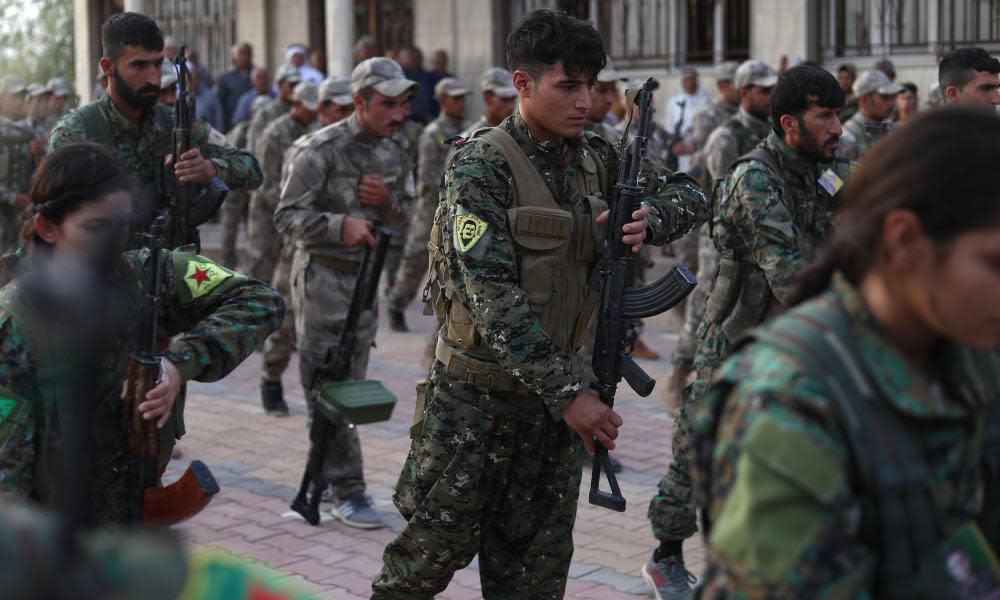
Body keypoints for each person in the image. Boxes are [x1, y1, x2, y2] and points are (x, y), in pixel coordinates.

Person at [371, 10, 709, 598]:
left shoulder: (599, 158)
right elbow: (491, 299)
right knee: (415, 577)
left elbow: (693, 192)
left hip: (548, 427)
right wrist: (570, 395)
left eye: (592, 86)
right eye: (568, 86)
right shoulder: (482, 165)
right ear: (522, 84)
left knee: (534, 585)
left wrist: (650, 219)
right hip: (472, 414)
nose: (585, 101)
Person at [691, 107, 1000, 599]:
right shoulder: (790, 402)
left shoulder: (966, 350)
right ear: (904, 241)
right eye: (993, 263)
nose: (835, 129)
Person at [644, 64, 850, 600]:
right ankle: (667, 554)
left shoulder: (822, 171)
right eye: (824, 116)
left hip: (788, 342)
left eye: (838, 114)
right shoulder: (754, 178)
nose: (837, 128)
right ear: (788, 123)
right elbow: (791, 276)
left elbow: (857, 230)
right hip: (734, 340)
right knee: (698, 448)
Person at [0, 141, 284, 522]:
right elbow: (8, 485)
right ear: (47, 228)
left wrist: (178, 365)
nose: (114, 241)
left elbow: (262, 300)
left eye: (122, 225)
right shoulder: (17, 320)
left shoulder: (143, 273)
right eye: (96, 228)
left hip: (132, 512)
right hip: (56, 537)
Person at [275, 57, 417, 530]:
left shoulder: (396, 151)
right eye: (387, 105)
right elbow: (286, 218)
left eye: (403, 104)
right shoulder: (317, 150)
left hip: (365, 283)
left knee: (348, 387)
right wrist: (342, 225)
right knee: (326, 386)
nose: (398, 115)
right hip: (323, 280)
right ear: (359, 103)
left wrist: (385, 203)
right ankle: (347, 489)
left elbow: (406, 216)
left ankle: (329, 479)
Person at [48, 12, 262, 244]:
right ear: (108, 67)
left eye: (158, 64)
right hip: (104, 272)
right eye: (139, 65)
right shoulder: (75, 133)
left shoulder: (175, 122)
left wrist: (210, 168)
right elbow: (55, 221)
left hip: (169, 268)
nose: (153, 79)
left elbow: (251, 169)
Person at [662, 59, 776, 416]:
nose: (770, 96)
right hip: (721, 234)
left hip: (758, 234)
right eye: (763, 90)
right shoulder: (724, 132)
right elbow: (725, 190)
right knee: (707, 300)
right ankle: (680, 371)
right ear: (744, 92)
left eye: (773, 90)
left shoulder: (772, 131)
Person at [250, 82, 319, 416]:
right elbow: (266, 183)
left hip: (303, 226)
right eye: (310, 106)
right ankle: (256, 336)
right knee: (264, 273)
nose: (314, 112)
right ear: (296, 104)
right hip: (270, 214)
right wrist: (295, 207)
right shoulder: (276, 132)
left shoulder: (316, 132)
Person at [387, 77, 468, 333]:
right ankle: (397, 303)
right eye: (455, 98)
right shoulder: (433, 133)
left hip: (456, 210)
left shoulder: (467, 129)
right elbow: (429, 177)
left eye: (463, 98)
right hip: (430, 208)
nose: (461, 103)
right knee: (415, 260)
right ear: (442, 101)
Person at [219, 94, 271, 269]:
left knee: (252, 223)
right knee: (230, 223)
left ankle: (248, 261)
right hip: (234, 184)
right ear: (253, 111)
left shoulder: (268, 130)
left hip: (253, 182)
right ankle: (228, 263)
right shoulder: (241, 130)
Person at [837, 69, 901, 162]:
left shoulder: (891, 128)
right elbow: (832, 174)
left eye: (892, 97)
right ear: (864, 100)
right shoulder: (848, 135)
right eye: (885, 97)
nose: (891, 103)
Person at [246, 65, 301, 156]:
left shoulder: (303, 113)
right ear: (279, 85)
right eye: (291, 85)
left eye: (298, 85)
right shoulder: (265, 114)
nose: (295, 89)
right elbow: (253, 149)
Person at [665, 66, 711, 172]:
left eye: (692, 79)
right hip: (679, 150)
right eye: (686, 80)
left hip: (700, 150)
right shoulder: (673, 102)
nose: (689, 83)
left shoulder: (707, 101)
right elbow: (669, 128)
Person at [461, 67, 518, 134]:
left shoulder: (520, 133)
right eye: (505, 99)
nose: (511, 106)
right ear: (487, 99)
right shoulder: (471, 138)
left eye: (513, 99)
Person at [216, 42, 254, 132]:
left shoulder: (256, 74)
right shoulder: (226, 77)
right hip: (232, 124)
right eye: (241, 53)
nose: (244, 57)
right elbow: (220, 103)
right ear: (234, 56)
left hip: (252, 122)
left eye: (247, 53)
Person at [585, 59, 625, 142]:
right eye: (602, 90)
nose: (610, 100)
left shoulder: (614, 137)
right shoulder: (562, 140)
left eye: (613, 90)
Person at [190, 65, 224, 133]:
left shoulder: (210, 96)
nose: (193, 83)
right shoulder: (178, 98)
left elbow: (219, 120)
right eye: (190, 80)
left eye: (196, 79)